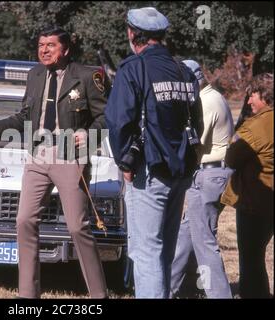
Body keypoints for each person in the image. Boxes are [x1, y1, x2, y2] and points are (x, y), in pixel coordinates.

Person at [0, 26, 108, 299]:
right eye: (41, 45)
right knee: (24, 221)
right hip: (37, 157)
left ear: (65, 49)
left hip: (70, 158)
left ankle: (99, 296)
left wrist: (87, 134)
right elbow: (23, 118)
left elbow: (107, 117)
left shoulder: (89, 76)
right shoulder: (35, 74)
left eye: (50, 45)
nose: (44, 50)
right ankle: (28, 296)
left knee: (78, 226)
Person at [105, 7, 203, 298]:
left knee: (146, 253)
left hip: (148, 172)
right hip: (181, 171)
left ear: (132, 34)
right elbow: (196, 122)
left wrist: (125, 161)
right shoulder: (184, 71)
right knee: (164, 251)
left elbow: (119, 120)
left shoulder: (133, 68)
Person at [170, 59, 234, 298]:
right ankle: (170, 288)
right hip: (213, 173)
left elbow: (195, 144)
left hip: (209, 173)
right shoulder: (214, 97)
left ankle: (219, 294)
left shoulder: (206, 102)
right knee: (186, 235)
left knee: (204, 242)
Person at [221, 73, 274, 298]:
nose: (249, 101)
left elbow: (231, 158)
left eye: (252, 95)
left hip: (256, 203)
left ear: (265, 95)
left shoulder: (256, 126)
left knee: (251, 261)